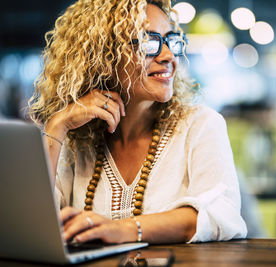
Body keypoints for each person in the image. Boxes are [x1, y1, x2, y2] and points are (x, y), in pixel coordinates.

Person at [28, 0, 247, 244]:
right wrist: (57, 125)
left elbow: (222, 215)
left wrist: (123, 229)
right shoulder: (76, 140)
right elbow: (33, 224)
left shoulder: (200, 125)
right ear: (102, 57)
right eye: (148, 42)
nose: (168, 55)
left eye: (169, 40)